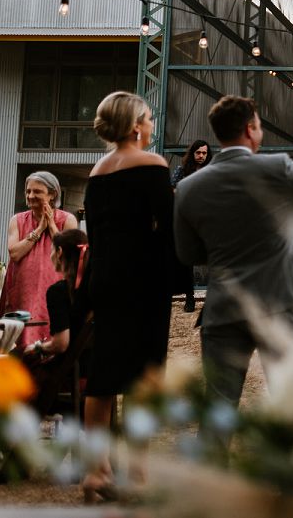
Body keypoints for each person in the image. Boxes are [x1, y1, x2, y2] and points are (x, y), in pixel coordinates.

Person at [174, 96, 293, 413]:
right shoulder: (277, 167)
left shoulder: (188, 187)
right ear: (250, 128)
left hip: (224, 307)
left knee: (218, 411)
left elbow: (188, 253)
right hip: (282, 302)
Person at [82, 91, 175, 501]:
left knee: (102, 377)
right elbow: (166, 229)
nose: (152, 125)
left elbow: (96, 237)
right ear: (136, 125)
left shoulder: (97, 172)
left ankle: (96, 471)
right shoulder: (152, 164)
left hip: (105, 281)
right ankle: (137, 473)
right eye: (149, 119)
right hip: (144, 282)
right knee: (144, 377)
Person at [2, 171, 78, 351]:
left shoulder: (67, 220)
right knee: (18, 338)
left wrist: (50, 224)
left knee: (50, 325)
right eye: (28, 191)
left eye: (37, 191)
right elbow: (15, 254)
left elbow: (67, 253)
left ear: (52, 194)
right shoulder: (17, 220)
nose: (30, 196)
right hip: (22, 287)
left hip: (53, 286)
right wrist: (39, 230)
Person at [24, 228, 91, 415]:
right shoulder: (93, 289)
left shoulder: (58, 292)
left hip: (67, 372)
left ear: (59, 252)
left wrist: (37, 348)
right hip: (94, 366)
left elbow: (61, 344)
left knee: (19, 360)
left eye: (52, 250)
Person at [170, 140, 211, 313]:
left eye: (204, 153)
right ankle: (190, 298)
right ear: (192, 153)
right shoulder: (182, 171)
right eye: (198, 153)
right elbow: (172, 190)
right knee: (187, 262)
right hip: (187, 221)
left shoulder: (212, 171)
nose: (201, 156)